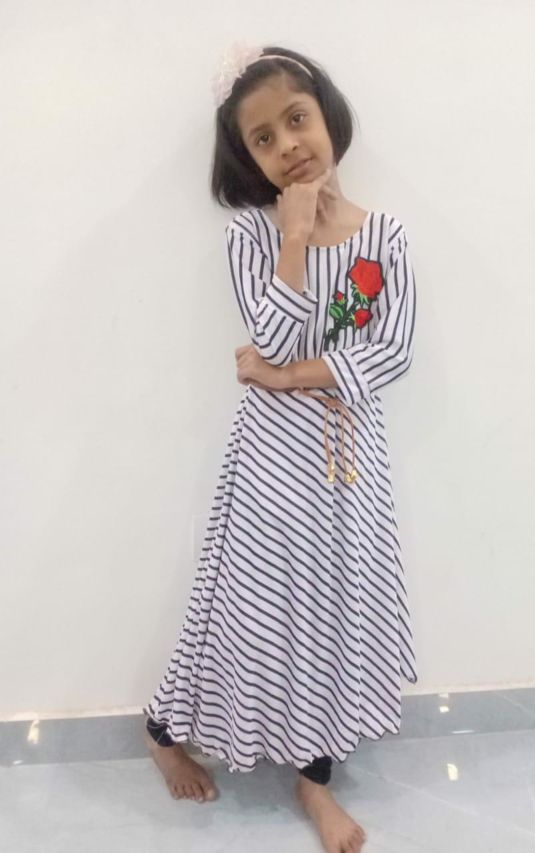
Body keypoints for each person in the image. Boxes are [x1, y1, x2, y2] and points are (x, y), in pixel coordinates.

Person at [142, 41, 418, 853]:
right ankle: (163, 729)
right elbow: (267, 333)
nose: (287, 144)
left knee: (338, 607)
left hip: (352, 461)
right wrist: (294, 238)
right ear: (249, 158)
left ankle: (314, 776)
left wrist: (288, 375)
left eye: (296, 119)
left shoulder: (385, 237)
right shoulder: (252, 238)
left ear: (326, 115)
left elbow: (392, 351)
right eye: (263, 138)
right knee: (246, 606)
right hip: (269, 465)